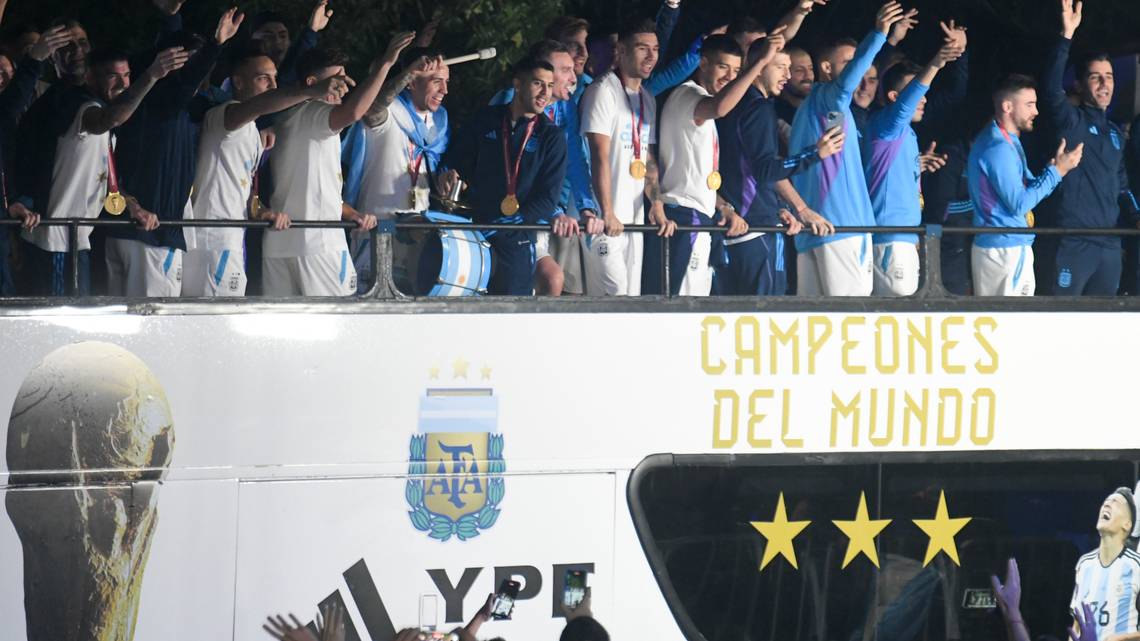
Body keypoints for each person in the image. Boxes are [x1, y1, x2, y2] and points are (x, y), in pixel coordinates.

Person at [10, 46, 188, 296]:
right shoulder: (83, 108)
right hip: (55, 241)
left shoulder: (103, 116)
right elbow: (111, 118)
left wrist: (133, 206)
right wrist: (152, 75)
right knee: (62, 322)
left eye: (127, 75)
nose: (123, 83)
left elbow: (105, 180)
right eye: (113, 76)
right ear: (91, 77)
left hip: (77, 240)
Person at [183, 49, 347, 297]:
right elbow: (260, 104)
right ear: (238, 82)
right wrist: (309, 92)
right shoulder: (225, 115)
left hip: (232, 240)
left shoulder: (255, 132)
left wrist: (262, 211)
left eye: (275, 78)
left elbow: (244, 193)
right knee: (213, 324)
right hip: (212, 241)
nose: (272, 85)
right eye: (263, 78)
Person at [103, 7, 242, 298]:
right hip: (150, 233)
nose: (198, 72)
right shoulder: (164, 105)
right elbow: (181, 82)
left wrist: (172, 19)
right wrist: (215, 45)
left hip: (126, 230)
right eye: (189, 63)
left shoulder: (155, 104)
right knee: (152, 331)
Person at [264, 34, 415, 297]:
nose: (345, 86)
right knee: (340, 325)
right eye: (338, 79)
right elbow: (356, 112)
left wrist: (352, 214)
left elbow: (316, 192)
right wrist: (386, 65)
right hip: (319, 245)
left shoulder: (287, 118)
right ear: (312, 84)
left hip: (278, 244)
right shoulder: (315, 114)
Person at [652, 32, 788, 296]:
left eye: (736, 70)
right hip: (685, 217)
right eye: (723, 67)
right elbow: (720, 107)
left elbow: (699, 173)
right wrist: (758, 65)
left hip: (702, 217)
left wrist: (724, 207)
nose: (730, 76)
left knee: (700, 307)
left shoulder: (700, 99)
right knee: (682, 309)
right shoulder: (687, 95)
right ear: (703, 63)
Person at [788, 1, 906, 296]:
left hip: (813, 233)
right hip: (841, 228)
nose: (858, 70)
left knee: (816, 326)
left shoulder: (821, 112)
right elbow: (845, 86)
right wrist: (879, 34)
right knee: (851, 320)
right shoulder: (829, 101)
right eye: (849, 63)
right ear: (826, 68)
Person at [716, 45, 841, 296]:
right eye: (780, 67)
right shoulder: (759, 107)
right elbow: (765, 170)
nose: (786, 75)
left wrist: (782, 208)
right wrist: (814, 154)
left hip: (733, 228)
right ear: (759, 69)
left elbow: (748, 168)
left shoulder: (730, 104)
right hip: (758, 230)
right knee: (766, 317)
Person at [440, 56, 568, 295]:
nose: (545, 93)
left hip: (516, 240)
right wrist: (449, 173)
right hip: (474, 234)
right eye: (538, 83)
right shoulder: (486, 119)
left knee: (510, 316)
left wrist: (508, 223)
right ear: (518, 85)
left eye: (550, 86)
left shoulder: (552, 137)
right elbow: (457, 161)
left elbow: (548, 199)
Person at [1045, 0, 1139, 296]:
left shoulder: (1114, 134)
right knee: (1062, 321)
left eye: (1109, 77)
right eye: (1095, 77)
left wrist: (1136, 215)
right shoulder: (1073, 121)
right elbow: (1049, 91)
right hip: (1074, 242)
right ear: (1079, 84)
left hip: (1109, 244)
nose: (1104, 84)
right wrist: (1066, 36)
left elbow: (1123, 186)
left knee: (1101, 327)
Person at [488, 39, 595, 296]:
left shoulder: (564, 107)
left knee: (552, 280)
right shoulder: (508, 102)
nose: (574, 76)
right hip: (500, 218)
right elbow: (508, 172)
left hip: (538, 213)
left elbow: (575, 160)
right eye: (566, 70)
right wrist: (554, 211)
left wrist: (586, 206)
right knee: (532, 283)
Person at [864, 30, 964, 296]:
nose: (924, 99)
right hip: (890, 239)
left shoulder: (906, 133)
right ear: (896, 98)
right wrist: (936, 63)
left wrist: (913, 168)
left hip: (903, 238)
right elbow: (908, 103)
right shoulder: (888, 124)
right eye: (916, 92)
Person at [579, 18, 675, 296]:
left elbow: (647, 158)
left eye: (655, 49)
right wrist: (607, 211)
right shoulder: (602, 91)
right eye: (642, 48)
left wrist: (656, 206)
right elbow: (598, 154)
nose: (651, 56)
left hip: (633, 219)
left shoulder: (647, 98)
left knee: (631, 300)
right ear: (620, 50)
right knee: (614, 294)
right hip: (601, 218)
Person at [343, 50, 449, 293]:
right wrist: (407, 71)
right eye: (436, 81)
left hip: (417, 233)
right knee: (369, 307)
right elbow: (372, 109)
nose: (444, 90)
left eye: (446, 82)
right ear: (412, 82)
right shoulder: (389, 111)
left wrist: (444, 174)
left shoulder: (439, 122)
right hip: (375, 227)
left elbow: (435, 163)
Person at [968, 74, 1083, 296]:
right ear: (1007, 106)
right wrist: (1058, 171)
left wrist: (1054, 170)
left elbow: (1028, 186)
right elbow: (1020, 204)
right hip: (1004, 249)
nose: (1036, 111)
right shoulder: (998, 147)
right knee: (1010, 326)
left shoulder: (1008, 141)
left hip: (1004, 247)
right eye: (1030, 104)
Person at [0, 25, 72, 295]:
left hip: (16, 221)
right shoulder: (7, 113)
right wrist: (35, 60)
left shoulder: (30, 113)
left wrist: (15, 203)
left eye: (7, 72)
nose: (2, 78)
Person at [1071, 488, 1140, 641]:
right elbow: (1076, 626)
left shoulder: (1136, 566)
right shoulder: (1084, 565)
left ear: (1127, 525)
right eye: (1106, 502)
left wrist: (1121, 638)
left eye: (1116, 502)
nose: (1107, 504)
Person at [249, 0, 333, 86]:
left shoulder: (299, 78)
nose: (277, 41)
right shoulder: (241, 71)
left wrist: (313, 29)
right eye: (268, 36)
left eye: (283, 36)